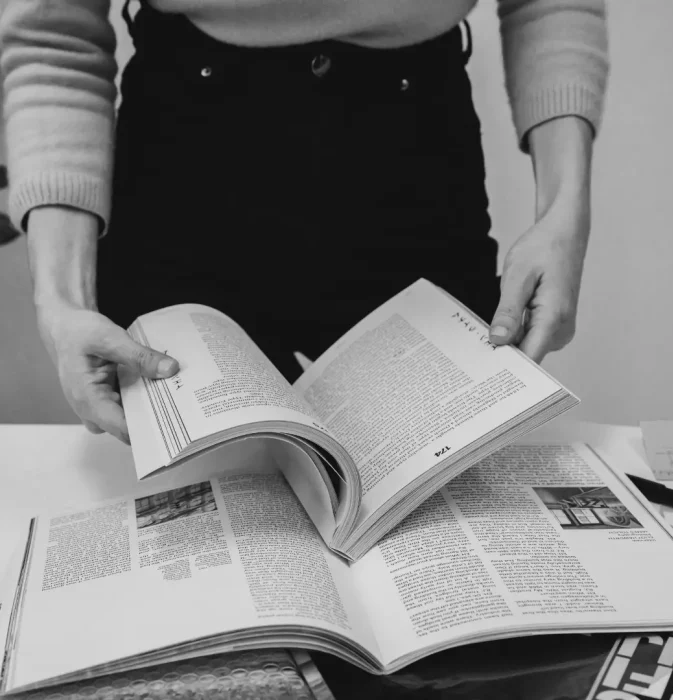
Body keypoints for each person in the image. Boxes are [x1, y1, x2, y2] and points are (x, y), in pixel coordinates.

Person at [0, 0, 609, 445]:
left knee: (444, 518)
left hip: (412, 164)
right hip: (185, 168)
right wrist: (62, 303)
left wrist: (564, 216)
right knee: (206, 530)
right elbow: (55, 38)